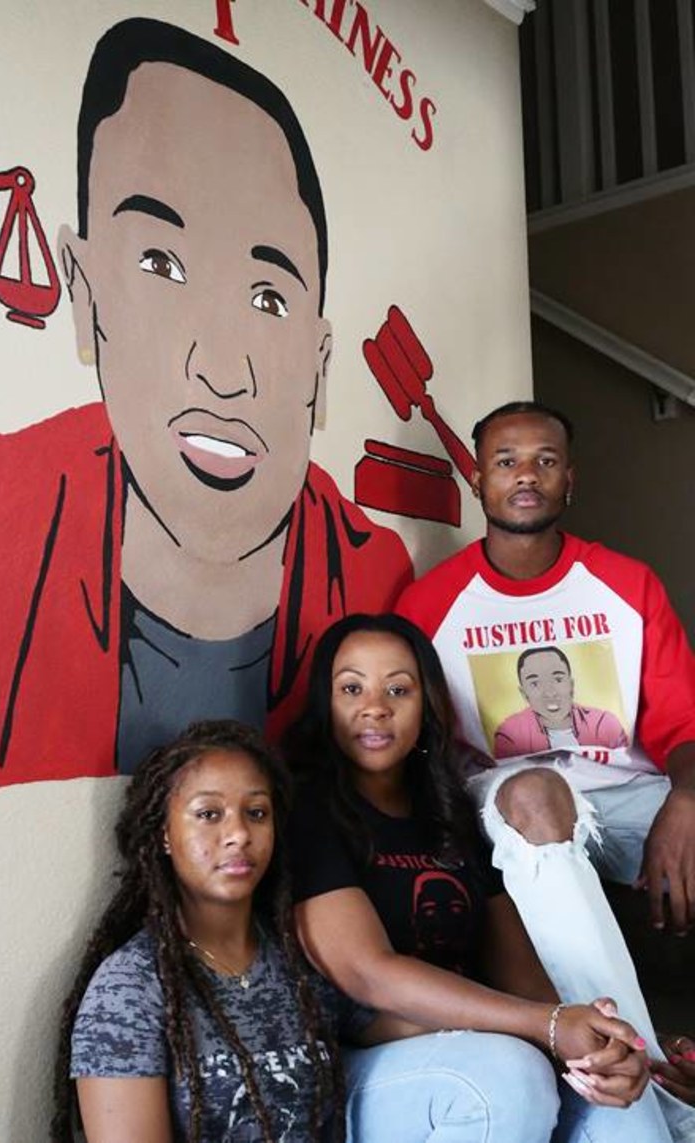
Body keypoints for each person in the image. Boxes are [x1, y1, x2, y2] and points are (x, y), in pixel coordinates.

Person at [0, 17, 411, 791]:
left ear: (319, 366)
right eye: (161, 262)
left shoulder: (376, 584)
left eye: (269, 295)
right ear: (86, 300)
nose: (223, 371)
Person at [396, 400, 695, 1125]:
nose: (525, 475)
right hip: (510, 807)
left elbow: (683, 722)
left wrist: (684, 802)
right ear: (476, 479)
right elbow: (415, 743)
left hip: (629, 796)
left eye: (545, 460)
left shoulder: (627, 584)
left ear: (571, 481)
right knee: (536, 786)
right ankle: (644, 1068)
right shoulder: (430, 604)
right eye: (505, 461)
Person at [285, 612, 678, 1143]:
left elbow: (522, 976)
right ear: (324, 703)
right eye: (351, 688)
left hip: (483, 1037)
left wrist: (590, 1040)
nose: (375, 707)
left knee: (614, 1105)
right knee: (512, 1075)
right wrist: (546, 1026)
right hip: (368, 1065)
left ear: (426, 707)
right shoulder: (307, 811)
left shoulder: (449, 816)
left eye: (398, 689)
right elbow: (366, 974)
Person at [52, 718, 420, 1143]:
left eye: (256, 813)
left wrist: (507, 1024)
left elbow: (401, 1020)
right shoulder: (128, 990)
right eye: (209, 814)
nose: (239, 834)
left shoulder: (299, 956)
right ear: (164, 835)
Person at [494, 645, 628, 759]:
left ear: (571, 685)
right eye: (535, 684)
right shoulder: (510, 734)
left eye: (558, 680)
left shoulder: (604, 723)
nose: (550, 692)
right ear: (524, 694)